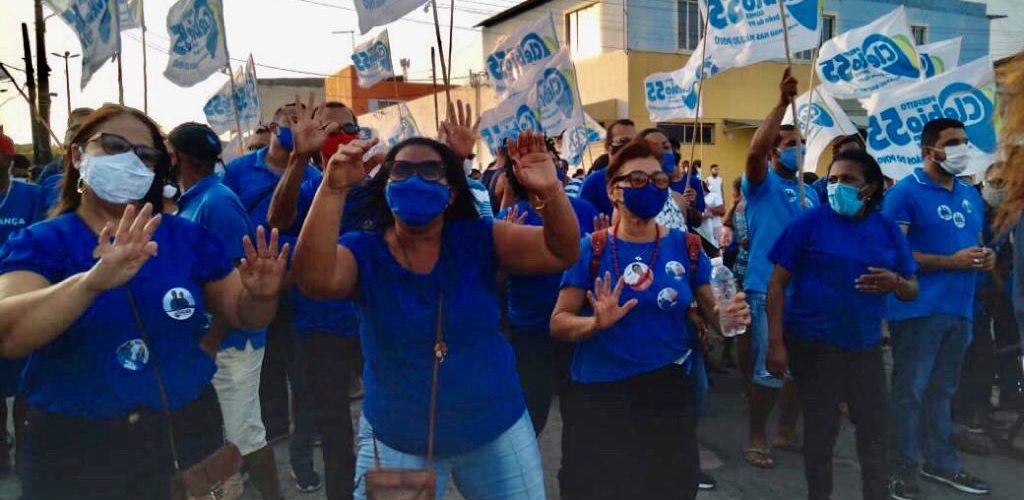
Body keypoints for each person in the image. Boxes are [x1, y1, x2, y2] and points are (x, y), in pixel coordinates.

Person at [0, 104, 288, 499]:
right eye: (114, 145)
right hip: (76, 450)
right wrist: (91, 283)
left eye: (145, 154)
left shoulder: (186, 238)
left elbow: (244, 314)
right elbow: (9, 333)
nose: (130, 160)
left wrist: (261, 293)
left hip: (186, 434)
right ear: (78, 154)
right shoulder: (41, 242)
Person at [293, 130, 578, 499]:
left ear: (452, 192)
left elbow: (561, 252)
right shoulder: (364, 252)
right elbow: (314, 280)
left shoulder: (481, 238)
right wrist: (331, 189)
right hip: (399, 440)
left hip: (496, 428)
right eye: (401, 170)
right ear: (385, 187)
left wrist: (550, 191)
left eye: (431, 171)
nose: (415, 179)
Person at [551, 138, 749, 499]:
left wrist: (729, 317)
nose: (653, 188)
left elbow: (715, 315)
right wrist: (595, 323)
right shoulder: (591, 248)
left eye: (659, 180)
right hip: (600, 396)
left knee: (669, 488)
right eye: (638, 179)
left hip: (667, 394)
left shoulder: (687, 247)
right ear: (614, 190)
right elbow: (559, 321)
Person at [765, 150, 919, 500]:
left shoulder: (886, 230)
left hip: (864, 346)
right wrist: (776, 342)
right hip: (815, 345)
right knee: (821, 432)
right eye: (832, 179)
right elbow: (777, 284)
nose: (837, 186)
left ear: (870, 188)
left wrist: (895, 282)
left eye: (848, 180)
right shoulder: (809, 223)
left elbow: (912, 288)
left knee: (874, 432)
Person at [168, 122, 282, 499]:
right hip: (209, 341)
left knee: (243, 435)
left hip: (231, 344)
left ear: (177, 157)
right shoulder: (193, 200)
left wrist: (213, 340)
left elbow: (238, 279)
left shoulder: (217, 202)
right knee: (218, 438)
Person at [884, 118, 993, 498]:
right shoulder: (904, 193)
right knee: (910, 392)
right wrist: (952, 262)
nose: (962, 148)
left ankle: (940, 463)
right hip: (918, 310)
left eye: (964, 141)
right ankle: (901, 469)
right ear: (929, 150)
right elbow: (893, 257)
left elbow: (971, 243)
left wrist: (985, 258)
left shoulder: (969, 194)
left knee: (943, 390)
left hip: (960, 309)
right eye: (953, 142)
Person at [222, 100, 323, 492]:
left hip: (298, 289)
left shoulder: (314, 176)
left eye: (303, 122)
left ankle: (300, 460)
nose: (295, 128)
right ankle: (252, 456)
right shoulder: (239, 171)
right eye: (289, 121)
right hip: (252, 290)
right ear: (273, 126)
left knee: (304, 380)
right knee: (257, 379)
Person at [740, 68, 815, 469]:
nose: (795, 149)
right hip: (765, 289)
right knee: (770, 367)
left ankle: (786, 430)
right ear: (774, 152)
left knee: (800, 370)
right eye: (787, 143)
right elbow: (752, 153)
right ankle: (757, 434)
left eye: (800, 143)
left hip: (806, 294)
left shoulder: (816, 193)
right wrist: (782, 103)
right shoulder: (761, 183)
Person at [497, 158, 599, 436]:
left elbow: (599, 266)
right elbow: (494, 282)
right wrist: (506, 249)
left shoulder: (585, 210)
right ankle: (522, 473)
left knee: (581, 417)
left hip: (578, 331)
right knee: (531, 414)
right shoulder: (507, 219)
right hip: (530, 332)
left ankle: (577, 477)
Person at [0, 130, 47, 475]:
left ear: (7, 161)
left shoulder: (32, 196)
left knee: (25, 385)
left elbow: (44, 242)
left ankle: (27, 455)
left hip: (25, 302)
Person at [39, 108, 95, 208]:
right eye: (75, 129)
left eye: (87, 128)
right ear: (67, 137)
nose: (80, 134)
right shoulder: (51, 173)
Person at [580, 119, 637, 216]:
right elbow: (584, 219)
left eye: (635, 142)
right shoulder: (593, 183)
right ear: (607, 146)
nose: (630, 147)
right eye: (623, 141)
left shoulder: (643, 179)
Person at [811, 135, 863, 204]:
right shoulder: (820, 187)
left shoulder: (866, 184)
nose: (854, 157)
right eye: (848, 154)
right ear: (836, 156)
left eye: (857, 153)